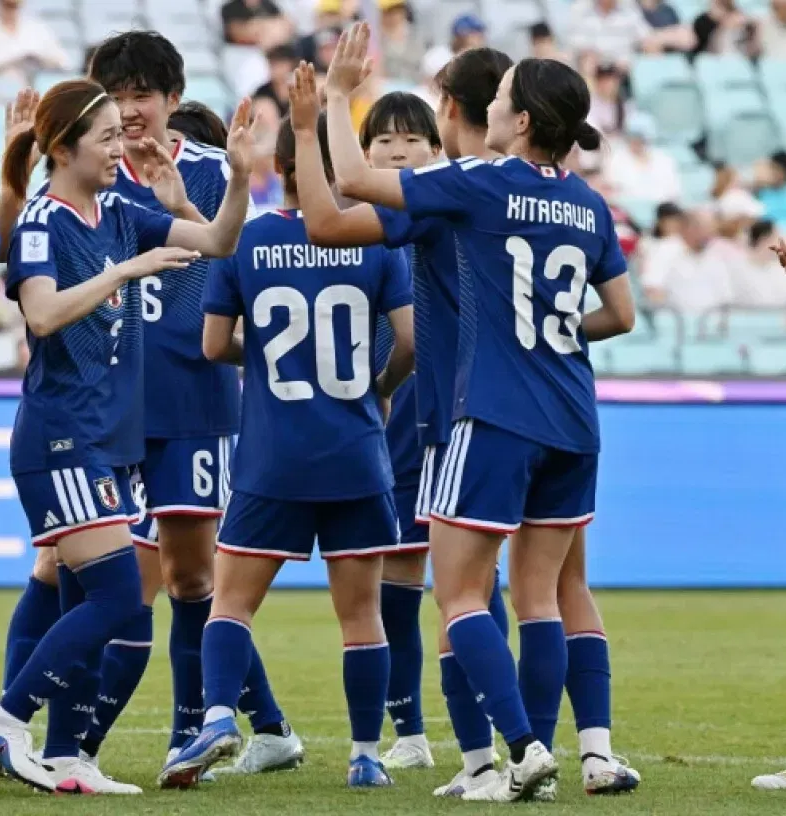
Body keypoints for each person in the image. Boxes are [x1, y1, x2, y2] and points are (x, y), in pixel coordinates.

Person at [324, 23, 638, 801]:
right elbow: (621, 315)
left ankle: (523, 749)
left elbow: (357, 186)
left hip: (496, 411)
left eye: (503, 99)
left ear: (522, 121)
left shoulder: (486, 181)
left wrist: (334, 97)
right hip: (575, 416)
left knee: (459, 595)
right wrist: (553, 328)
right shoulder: (591, 206)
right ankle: (578, 753)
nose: (492, 107)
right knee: (544, 597)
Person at [0, 79, 253, 794]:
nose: (117, 147)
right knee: (117, 600)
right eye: (103, 137)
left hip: (104, 441)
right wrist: (123, 270)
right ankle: (6, 719)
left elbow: (220, 241)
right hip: (62, 438)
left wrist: (241, 177)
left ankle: (67, 756)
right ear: (62, 147)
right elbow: (41, 315)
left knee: (90, 601)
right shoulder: (43, 220)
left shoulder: (121, 210)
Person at [158, 82, 415, 790]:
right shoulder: (376, 243)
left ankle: (216, 714)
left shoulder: (247, 242)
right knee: (362, 615)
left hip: (274, 456)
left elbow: (214, 345)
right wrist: (378, 388)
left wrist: (271, 356)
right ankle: (366, 755)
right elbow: (411, 340)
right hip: (356, 448)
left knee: (232, 601)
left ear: (281, 169)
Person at [86, 31, 304, 776]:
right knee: (83, 571)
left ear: (173, 99)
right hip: (108, 404)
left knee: (181, 579)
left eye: (141, 93)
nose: (129, 110)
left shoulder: (218, 171)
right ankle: (261, 725)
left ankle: (165, 736)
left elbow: (247, 259)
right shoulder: (91, 172)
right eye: (114, 96)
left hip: (196, 399)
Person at [299, 47, 515, 795]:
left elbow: (332, 212)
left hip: (453, 408)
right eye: (381, 136)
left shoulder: (445, 193)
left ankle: (498, 749)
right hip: (492, 410)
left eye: (408, 137)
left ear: (449, 121)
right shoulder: (539, 191)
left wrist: (327, 106)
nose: (395, 149)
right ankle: (430, 734)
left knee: (467, 588)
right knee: (448, 578)